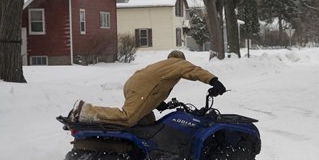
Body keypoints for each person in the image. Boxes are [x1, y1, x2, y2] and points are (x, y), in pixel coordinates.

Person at [68, 50, 226, 127]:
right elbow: (194, 71)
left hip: (135, 85)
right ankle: (85, 110)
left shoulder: (164, 66)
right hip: (141, 89)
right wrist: (214, 81)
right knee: (128, 117)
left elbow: (156, 85)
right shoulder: (179, 63)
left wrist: (159, 104)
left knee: (148, 124)